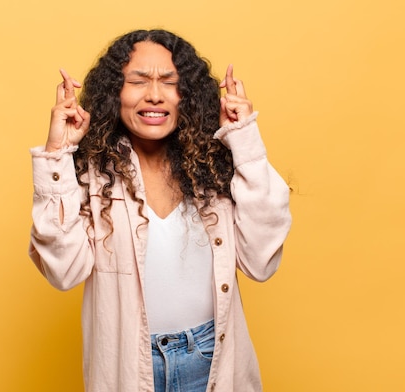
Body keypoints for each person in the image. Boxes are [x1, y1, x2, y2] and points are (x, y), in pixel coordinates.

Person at [29, 29, 291, 392]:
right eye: (137, 81)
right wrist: (57, 152)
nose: (154, 95)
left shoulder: (214, 169)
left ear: (188, 96)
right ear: (114, 94)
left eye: (170, 82)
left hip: (212, 362)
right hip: (128, 368)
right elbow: (63, 272)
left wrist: (244, 139)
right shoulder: (92, 173)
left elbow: (261, 262)